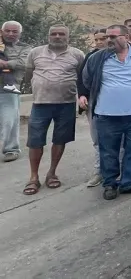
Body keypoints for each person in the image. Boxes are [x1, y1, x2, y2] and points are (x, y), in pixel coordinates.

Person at [80, 24, 131, 200]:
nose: (109, 40)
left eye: (113, 37)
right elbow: (87, 80)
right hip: (106, 115)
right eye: (108, 37)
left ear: (126, 37)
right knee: (108, 152)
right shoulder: (97, 58)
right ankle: (110, 184)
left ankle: (128, 183)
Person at [22, 25, 85, 195]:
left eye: (61, 34)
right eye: (53, 34)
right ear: (48, 35)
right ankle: (33, 177)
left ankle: (52, 173)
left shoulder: (77, 54)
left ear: (68, 37)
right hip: (40, 104)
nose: (57, 36)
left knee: (60, 139)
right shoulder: (35, 53)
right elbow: (29, 74)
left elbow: (82, 78)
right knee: (35, 141)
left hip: (66, 104)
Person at [76, 28, 108, 186]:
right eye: (96, 40)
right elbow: (82, 79)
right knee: (97, 138)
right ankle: (99, 171)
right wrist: (82, 95)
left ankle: (118, 170)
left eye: (103, 39)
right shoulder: (90, 57)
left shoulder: (118, 56)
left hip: (113, 104)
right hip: (94, 103)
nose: (99, 42)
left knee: (119, 139)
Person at [0, 21, 29, 163]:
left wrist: (5, 63)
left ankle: (11, 149)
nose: (11, 34)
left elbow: (24, 63)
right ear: (2, 31)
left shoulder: (25, 48)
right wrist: (11, 63)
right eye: (8, 31)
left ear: (20, 33)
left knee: (9, 120)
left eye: (14, 31)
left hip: (10, 86)